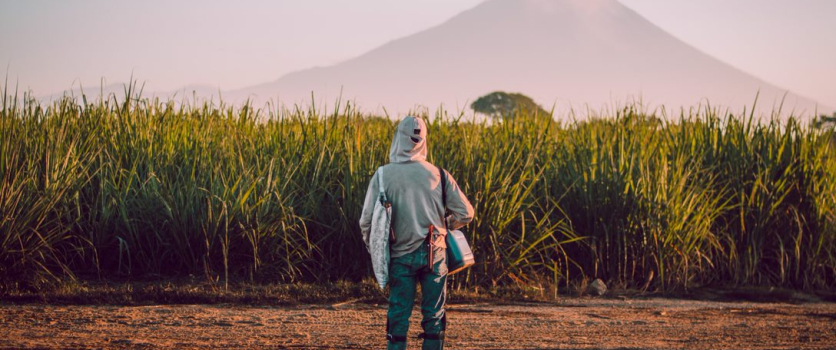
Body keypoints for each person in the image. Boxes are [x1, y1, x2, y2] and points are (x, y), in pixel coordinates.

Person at [359, 116, 474, 350]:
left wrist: (376, 251)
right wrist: (445, 225)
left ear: (398, 138)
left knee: (399, 314)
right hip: (436, 254)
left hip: (400, 254)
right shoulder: (440, 174)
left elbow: (366, 222)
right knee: (434, 316)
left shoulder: (383, 175)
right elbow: (466, 213)